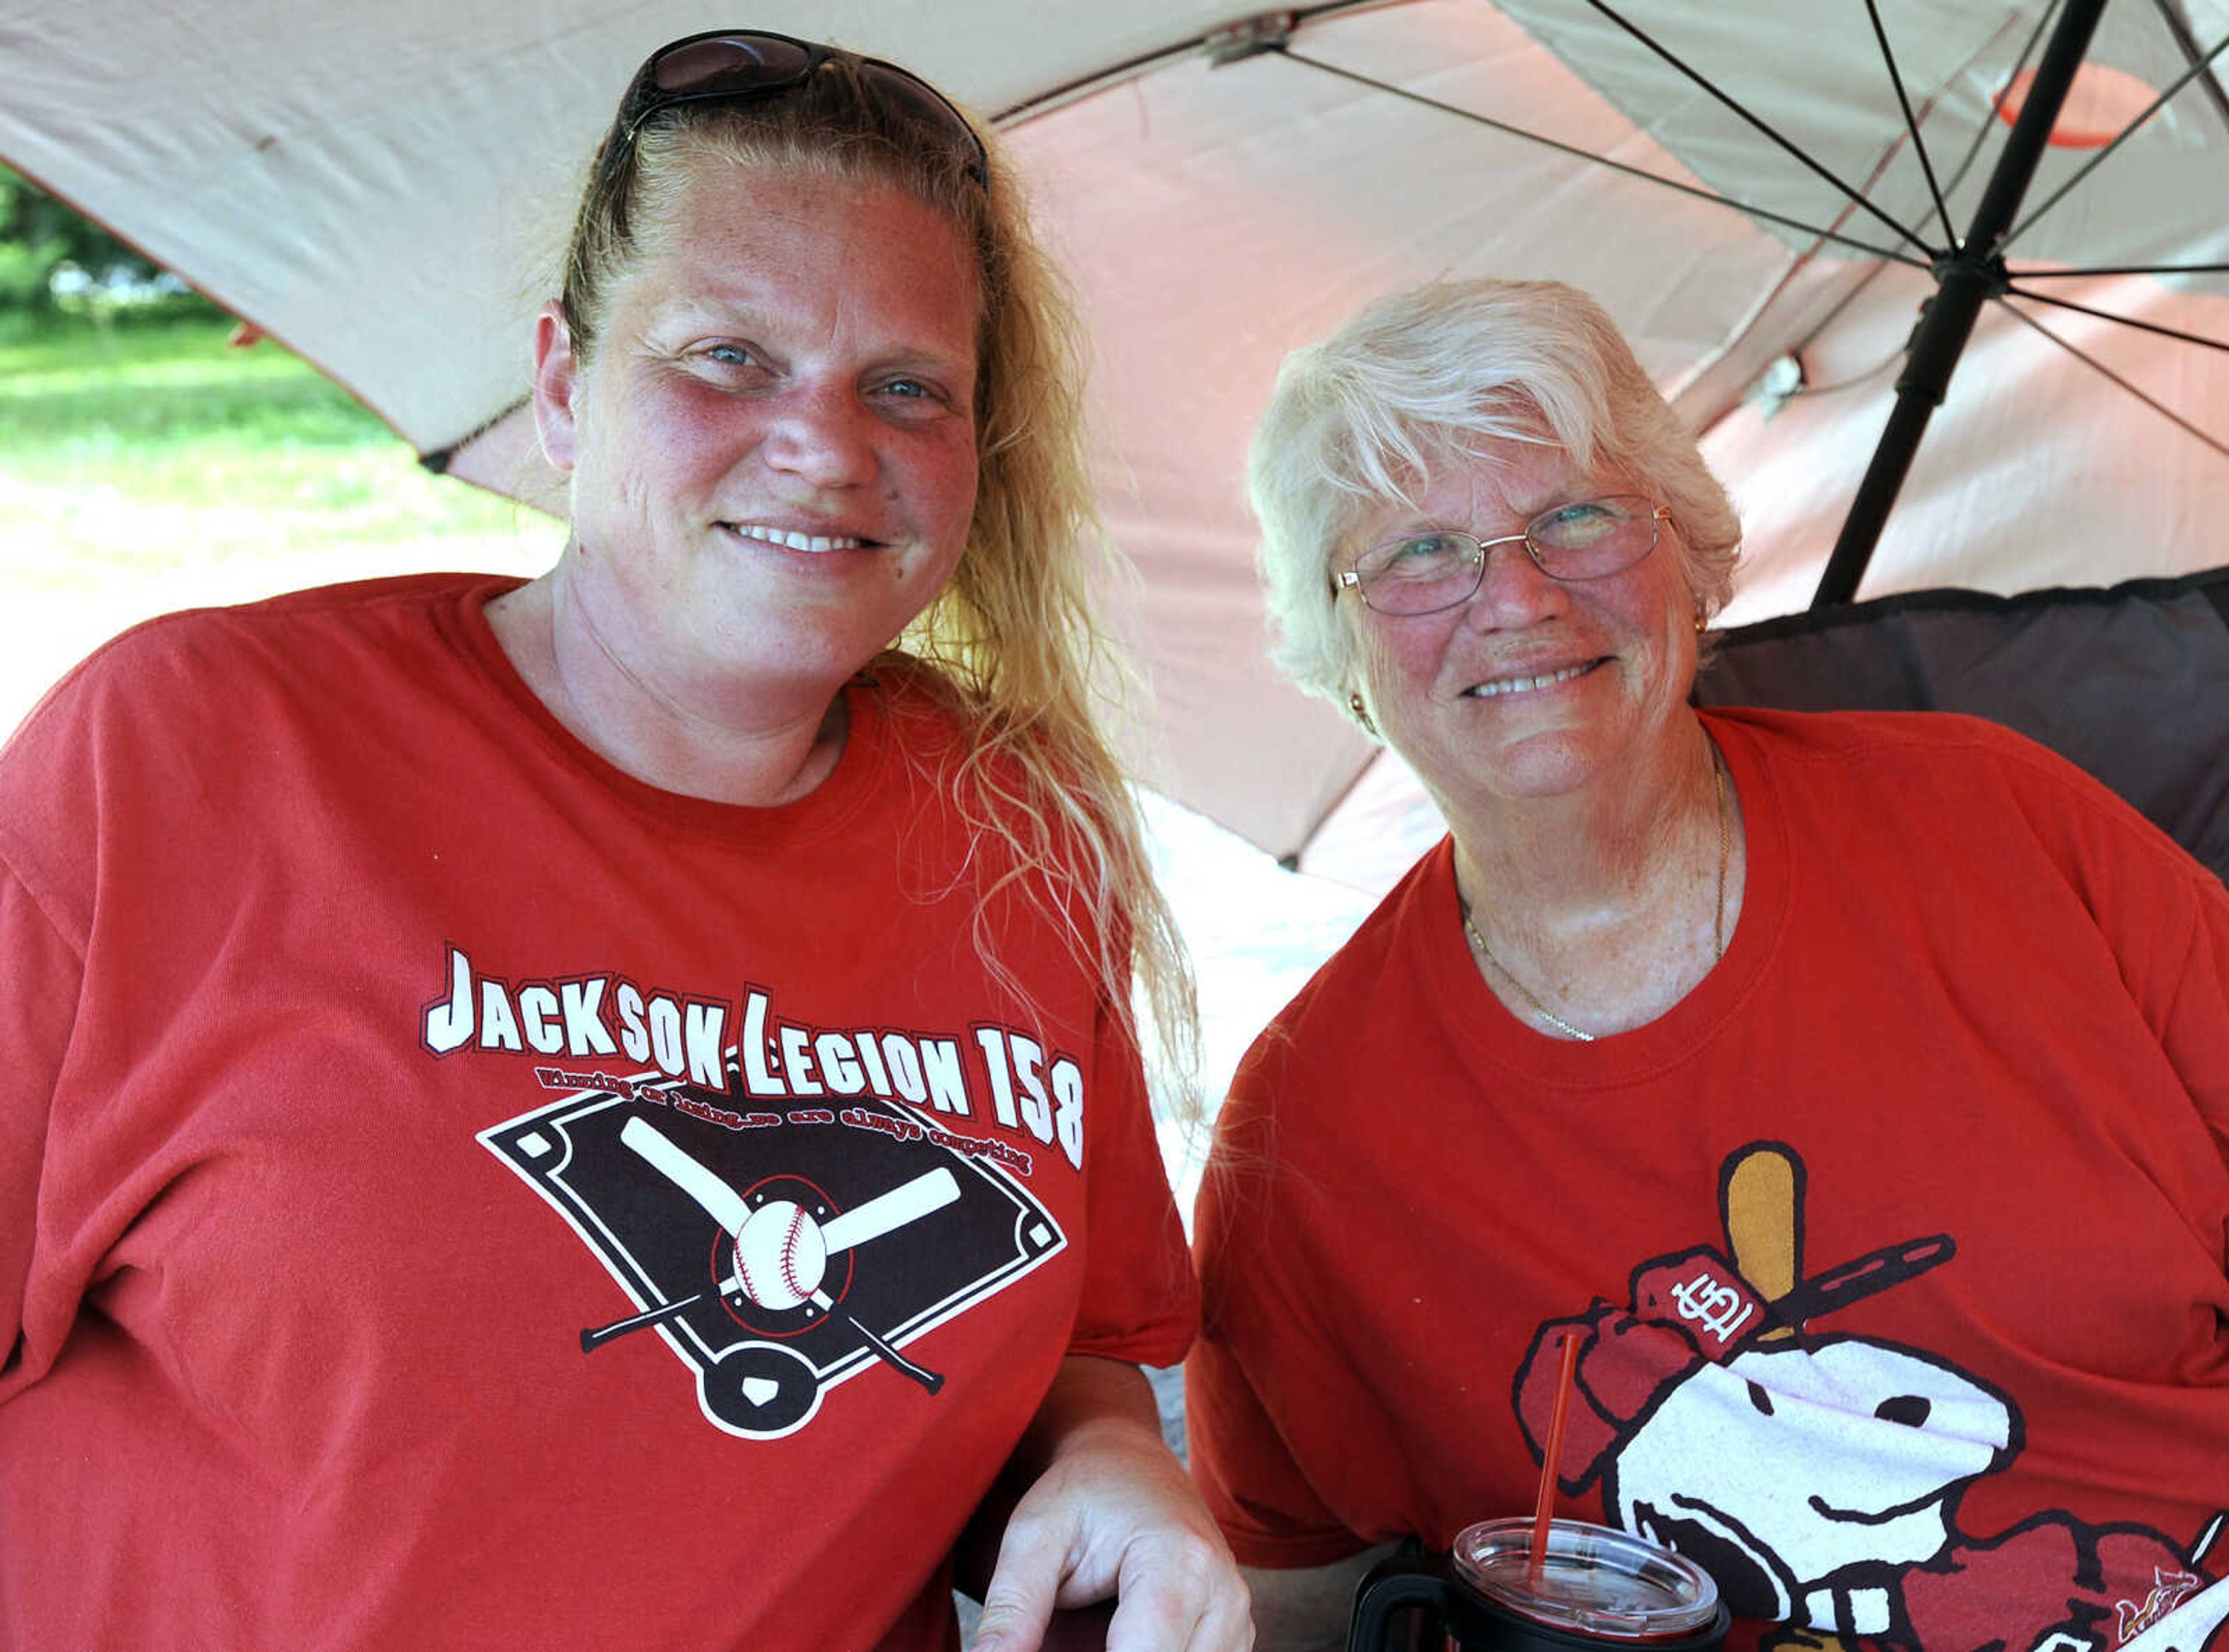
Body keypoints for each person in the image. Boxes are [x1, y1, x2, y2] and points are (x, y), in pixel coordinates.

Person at [0, 29, 1250, 1652]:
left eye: (906, 387)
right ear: (564, 384)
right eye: (729, 355)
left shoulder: (1015, 824)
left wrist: (1111, 1461)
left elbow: (1078, 1336)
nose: (828, 443)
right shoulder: (190, 748)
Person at [1184, 277, 2229, 1652]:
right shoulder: (1308, 1139)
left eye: (1575, 516)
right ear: (1342, 649)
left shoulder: (2003, 823)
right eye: (1422, 553)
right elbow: (1302, 1595)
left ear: (1687, 546)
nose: (1518, 597)